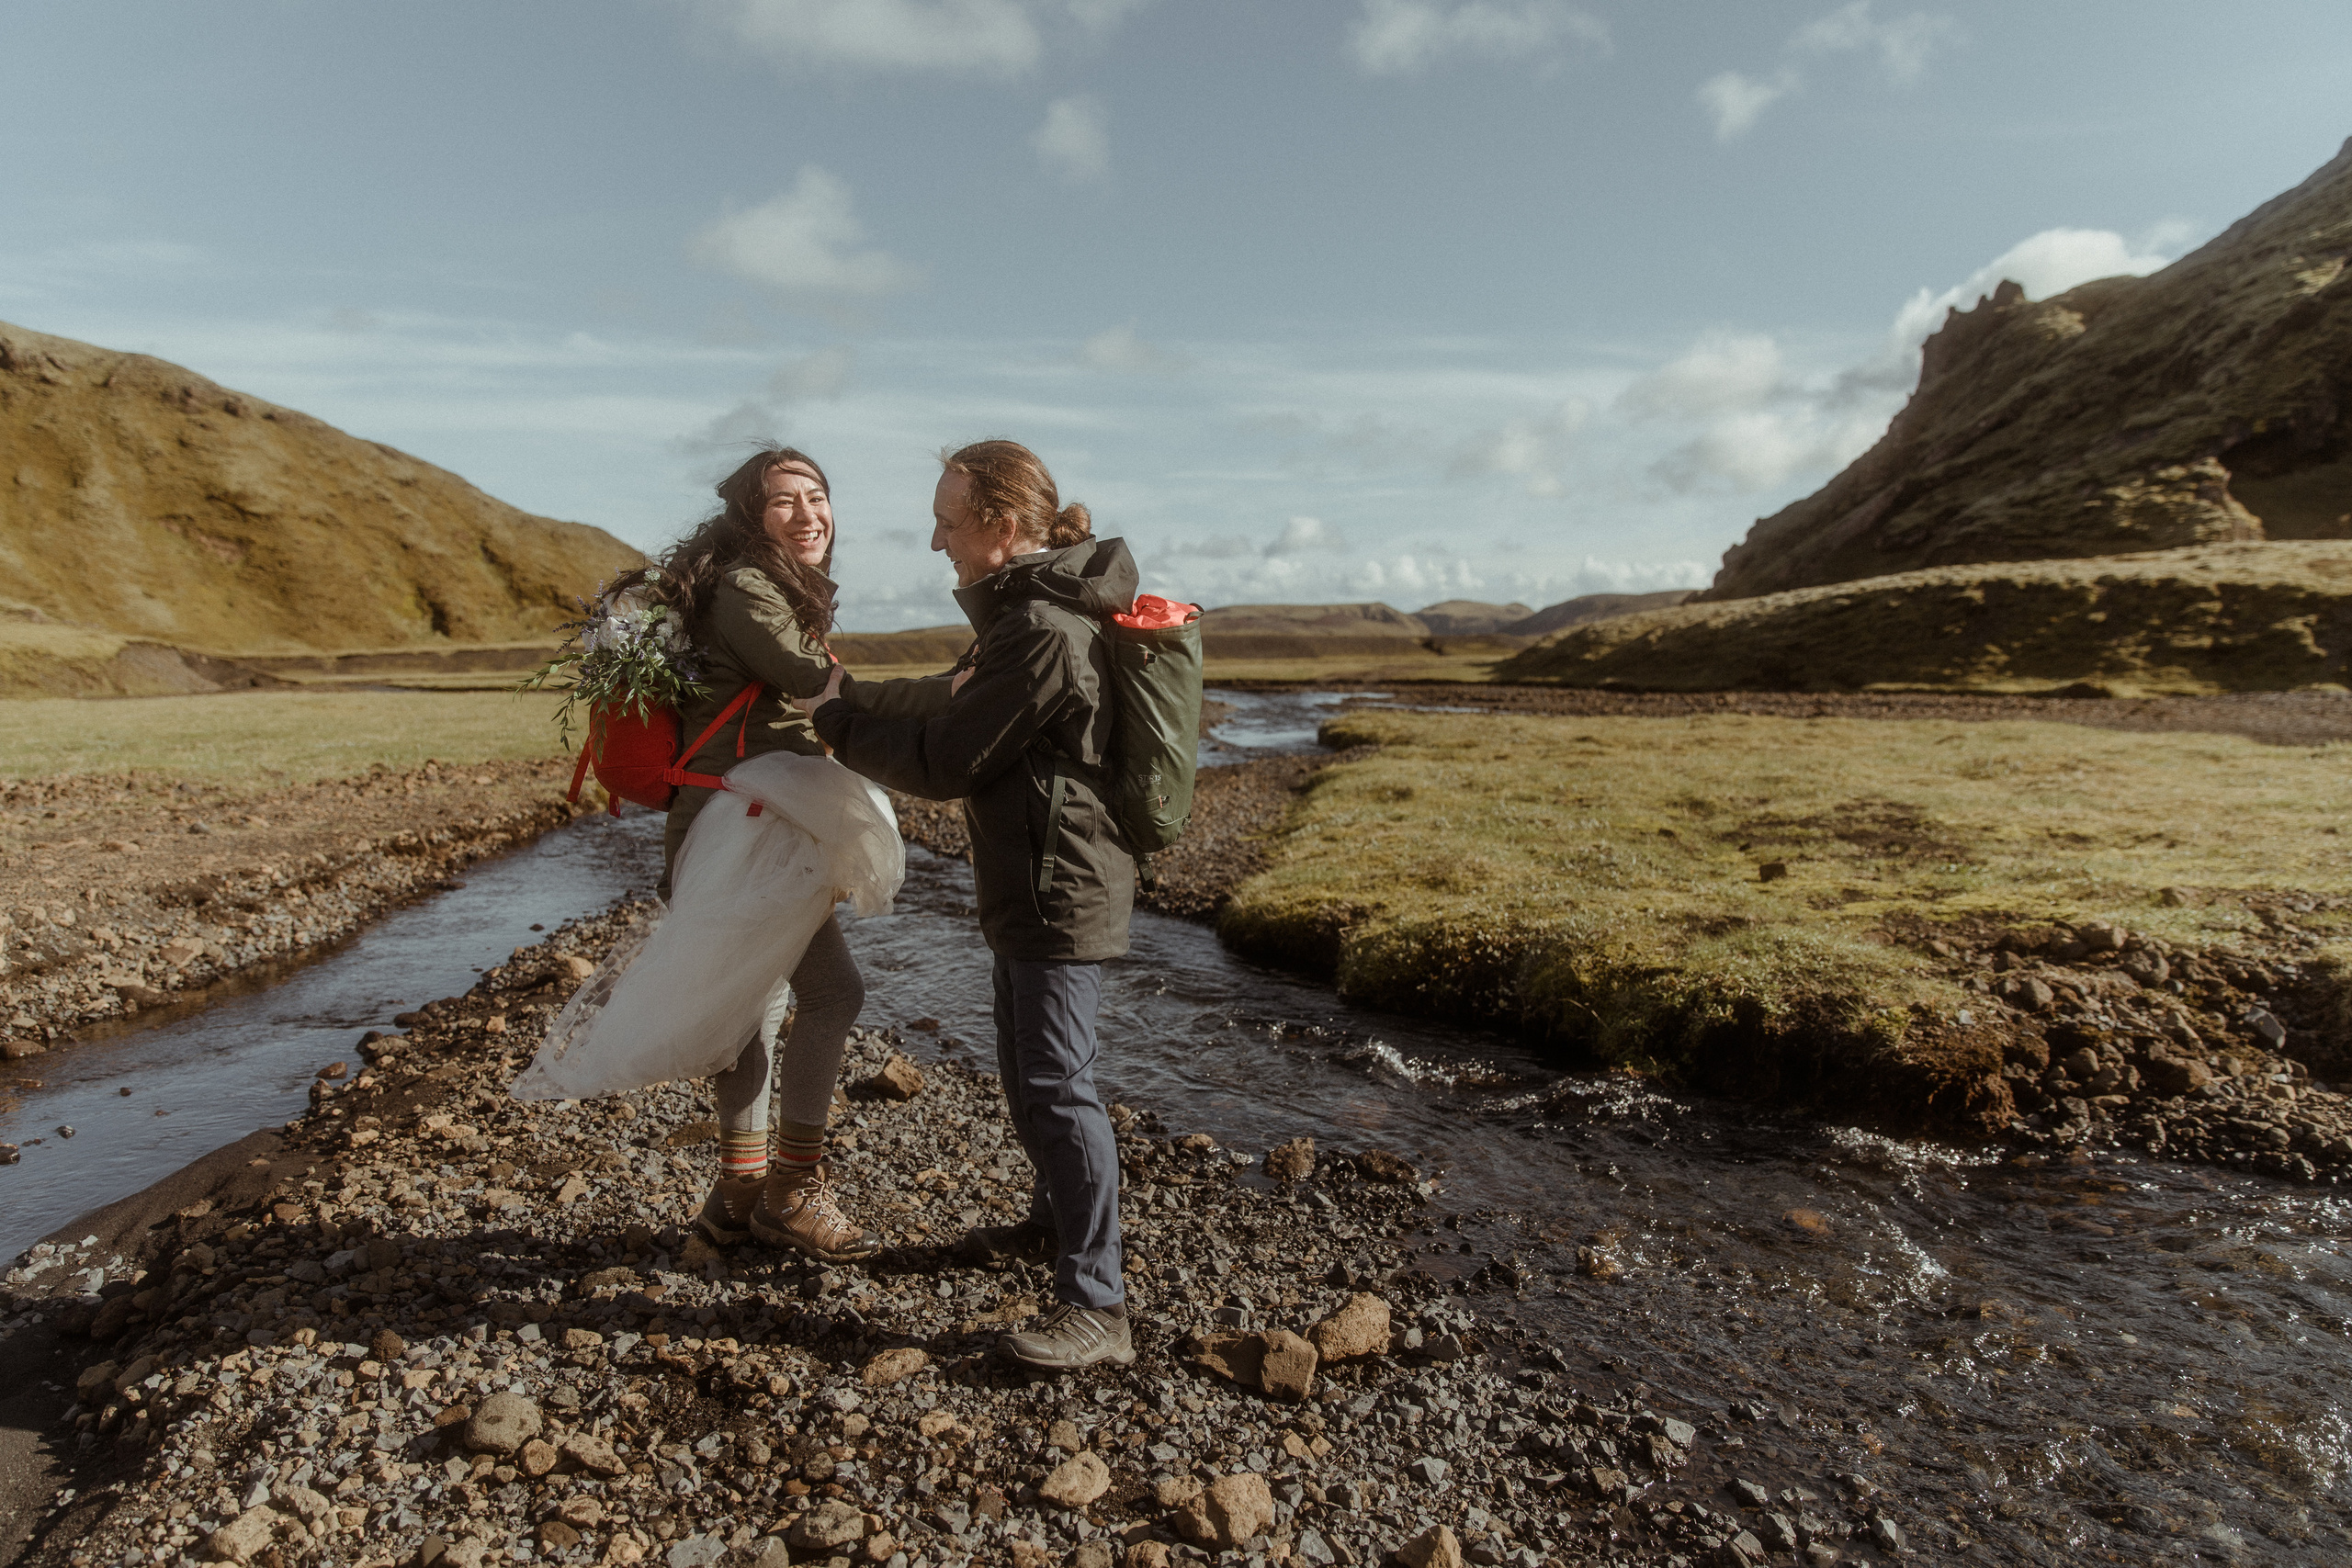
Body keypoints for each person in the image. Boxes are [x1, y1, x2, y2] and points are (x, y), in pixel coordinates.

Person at [793, 439, 1139, 1371]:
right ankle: (1052, 1226)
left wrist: (835, 725)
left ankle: (1097, 1306)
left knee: (1060, 1091)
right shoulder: (1027, 612)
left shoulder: (1040, 630)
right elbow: (948, 708)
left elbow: (947, 761)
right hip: (1033, 881)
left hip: (1059, 889)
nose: (936, 537)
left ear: (1000, 525)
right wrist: (853, 698)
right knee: (1034, 1077)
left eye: (949, 520)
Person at [619, 446, 885, 1262]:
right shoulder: (745, 588)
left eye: (818, 496)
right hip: (744, 826)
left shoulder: (756, 583)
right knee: (833, 995)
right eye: (784, 501)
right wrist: (951, 694)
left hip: (730, 819)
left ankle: (734, 1200)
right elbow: (812, 682)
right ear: (749, 515)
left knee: (753, 1006)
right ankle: (791, 1189)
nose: (808, 514)